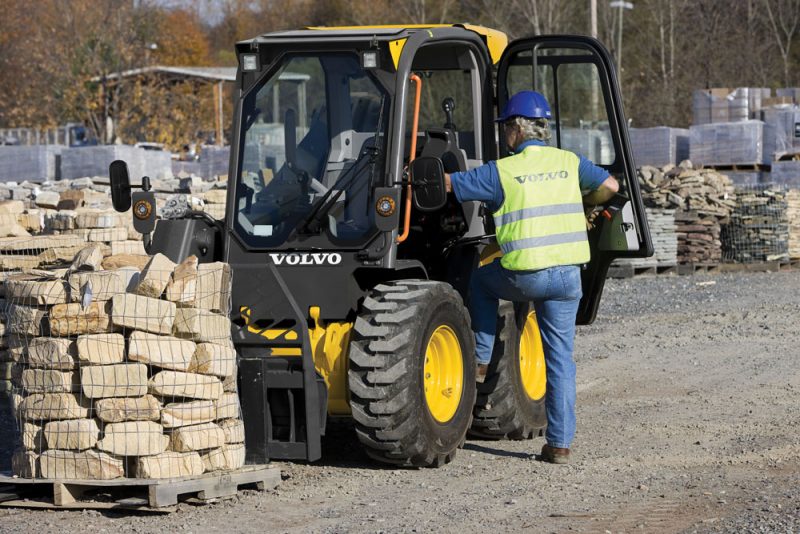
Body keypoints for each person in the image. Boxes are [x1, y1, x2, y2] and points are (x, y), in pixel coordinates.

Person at [445, 90, 619, 464]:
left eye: (506, 127)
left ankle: (481, 358)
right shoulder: (569, 162)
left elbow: (450, 185)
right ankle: (559, 444)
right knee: (560, 360)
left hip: (525, 275)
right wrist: (585, 203)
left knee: (481, 280)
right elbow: (611, 187)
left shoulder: (501, 171)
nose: (505, 134)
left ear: (516, 129)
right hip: (568, 277)